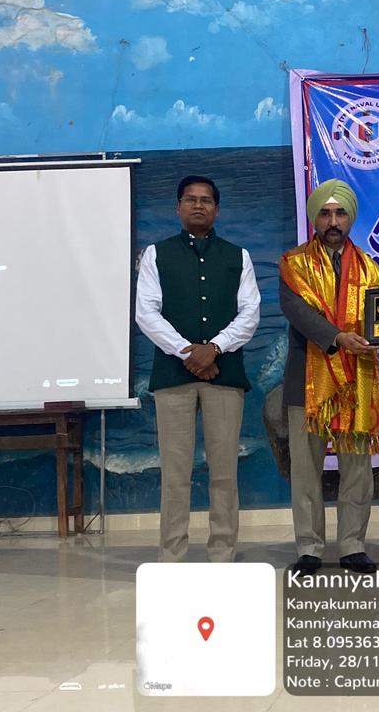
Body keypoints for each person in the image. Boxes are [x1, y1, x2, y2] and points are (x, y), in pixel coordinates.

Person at [136, 175, 260, 563]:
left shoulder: (238, 256)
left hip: (225, 374)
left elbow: (250, 313)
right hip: (173, 377)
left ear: (217, 209)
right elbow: (146, 313)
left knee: (224, 471)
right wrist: (188, 353)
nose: (198, 205)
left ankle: (222, 554)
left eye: (206, 200)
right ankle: (171, 556)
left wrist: (214, 348)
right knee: (175, 472)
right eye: (190, 199)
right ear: (178, 207)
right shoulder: (156, 255)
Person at [278, 178, 379, 575]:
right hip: (306, 384)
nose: (333, 221)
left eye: (340, 213)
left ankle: (353, 545)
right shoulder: (293, 263)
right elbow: (298, 313)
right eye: (325, 213)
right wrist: (338, 337)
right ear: (314, 218)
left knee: (356, 468)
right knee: (305, 470)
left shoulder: (370, 267)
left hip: (357, 380)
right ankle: (309, 548)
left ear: (350, 217)